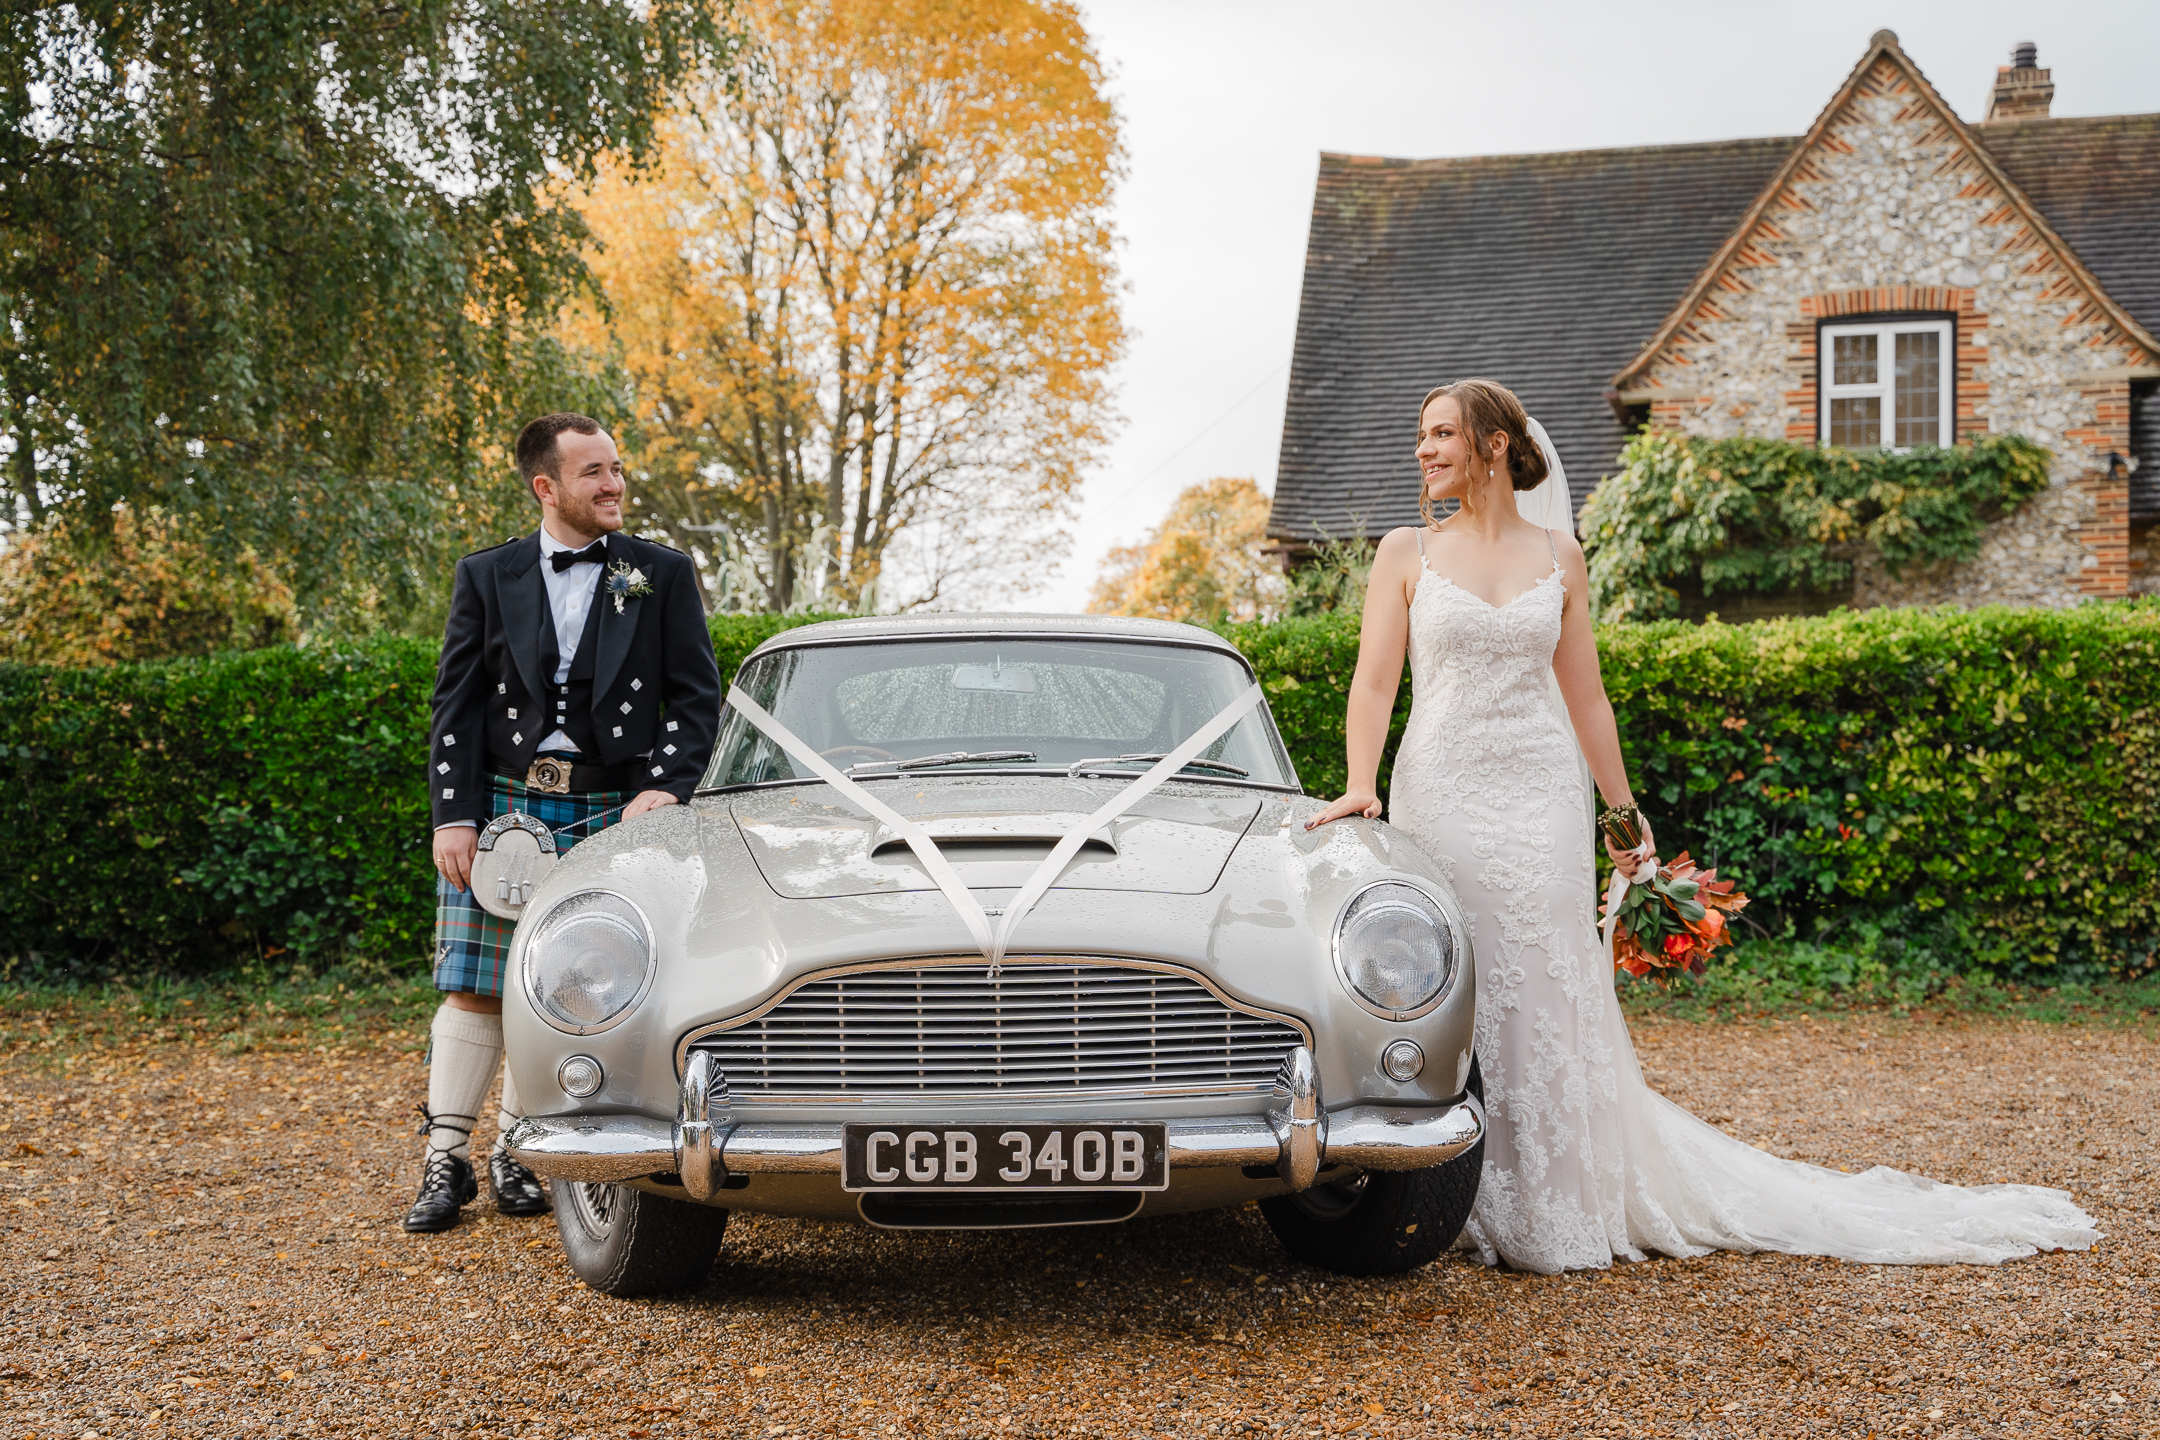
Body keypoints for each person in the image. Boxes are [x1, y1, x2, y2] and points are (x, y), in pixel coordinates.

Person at [1305, 378, 2097, 1272]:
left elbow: (1587, 695)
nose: (1425, 449)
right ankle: (1444, 1185)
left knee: (1546, 981)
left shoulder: (1560, 556)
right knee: (1454, 982)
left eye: (1443, 433)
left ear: (1494, 445)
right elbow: (1374, 683)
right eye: (1422, 435)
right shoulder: (1406, 552)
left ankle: (1553, 1195)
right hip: (1440, 787)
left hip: (1537, 796)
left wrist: (1621, 810)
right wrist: (1360, 787)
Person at [406, 412, 723, 1233]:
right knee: (475, 985)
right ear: (546, 486)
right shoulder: (488, 575)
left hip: (610, 808)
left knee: (572, 984)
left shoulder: (661, 572)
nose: (614, 484)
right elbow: (456, 706)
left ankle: (519, 1152)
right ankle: (446, 1162)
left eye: (616, 469)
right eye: (594, 473)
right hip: (507, 803)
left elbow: (694, 701)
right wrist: (455, 813)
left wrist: (667, 788)